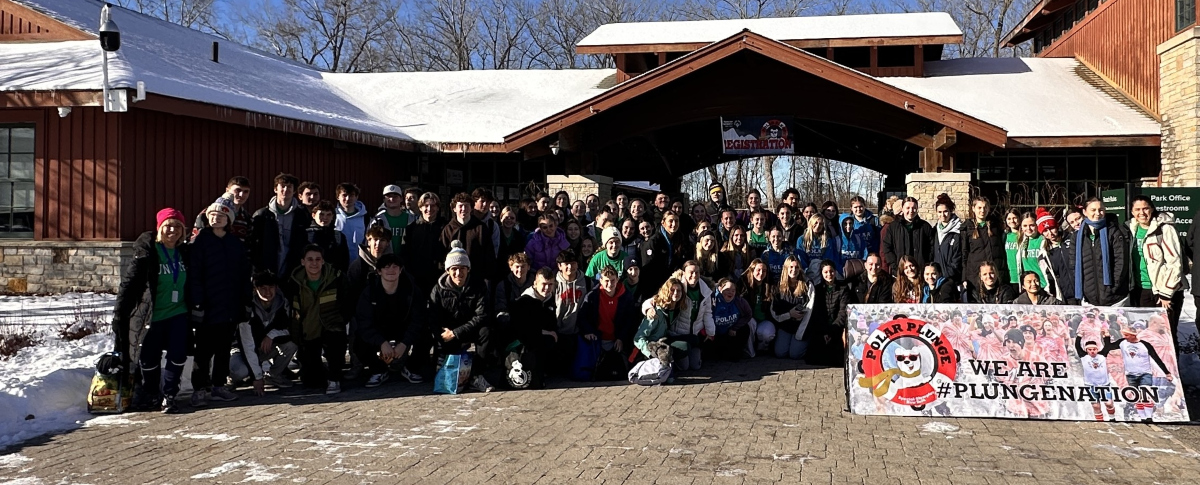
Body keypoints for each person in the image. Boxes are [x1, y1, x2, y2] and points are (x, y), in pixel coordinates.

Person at [112, 208, 191, 413]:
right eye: (168, 225)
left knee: (177, 355)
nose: (173, 230)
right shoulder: (148, 252)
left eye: (177, 226)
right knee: (149, 358)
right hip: (152, 315)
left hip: (178, 313)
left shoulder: (185, 253)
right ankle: (151, 392)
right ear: (159, 228)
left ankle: (170, 395)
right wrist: (119, 312)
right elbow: (129, 283)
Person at [187, 200, 251, 406]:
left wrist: (245, 301)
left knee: (223, 349)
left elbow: (244, 275)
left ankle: (219, 385)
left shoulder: (235, 244)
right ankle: (199, 388)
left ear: (228, 220)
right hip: (207, 306)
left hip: (229, 306)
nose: (216, 218)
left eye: (221, 216)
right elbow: (194, 275)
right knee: (203, 351)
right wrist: (197, 303)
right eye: (213, 215)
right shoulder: (200, 241)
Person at [285, 245, 353, 394]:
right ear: (303, 262)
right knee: (311, 381)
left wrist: (341, 320)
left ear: (323, 261)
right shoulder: (294, 281)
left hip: (332, 326)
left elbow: (348, 301)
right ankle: (321, 373)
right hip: (308, 329)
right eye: (310, 259)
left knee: (335, 346)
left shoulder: (336, 277)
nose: (314, 263)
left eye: (318, 259)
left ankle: (334, 378)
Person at [429, 241, 495, 393]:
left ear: (468, 269)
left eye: (462, 269)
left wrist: (456, 332)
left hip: (469, 328)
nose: (458, 273)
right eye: (454, 269)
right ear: (448, 270)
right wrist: (442, 334)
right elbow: (433, 317)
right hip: (447, 331)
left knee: (486, 331)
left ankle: (477, 375)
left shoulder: (479, 285)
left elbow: (482, 315)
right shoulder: (438, 289)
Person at [353, 254, 428, 388]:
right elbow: (364, 322)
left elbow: (418, 319)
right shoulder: (369, 292)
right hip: (379, 330)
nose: (391, 270)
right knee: (359, 342)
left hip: (403, 328)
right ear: (379, 271)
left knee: (426, 337)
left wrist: (405, 343)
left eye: (395, 267)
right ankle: (378, 370)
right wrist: (381, 342)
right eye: (386, 267)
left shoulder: (412, 289)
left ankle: (411, 368)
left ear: (400, 270)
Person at [1129, 195, 1184, 345]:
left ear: (1152, 209)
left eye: (1145, 208)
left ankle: (1171, 362)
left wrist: (1166, 292)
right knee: (1146, 335)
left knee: (1166, 335)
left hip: (1163, 291)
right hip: (1142, 289)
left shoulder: (1165, 229)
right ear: (1132, 212)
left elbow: (1174, 262)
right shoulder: (1131, 229)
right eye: (1137, 209)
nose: (1142, 213)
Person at [230, 271, 298, 392]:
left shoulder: (283, 303)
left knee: (291, 345)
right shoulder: (247, 307)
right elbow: (247, 345)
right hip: (241, 351)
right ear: (255, 289)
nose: (268, 292)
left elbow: (290, 330)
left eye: (271, 287)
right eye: (263, 288)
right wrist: (257, 377)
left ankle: (273, 375)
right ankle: (234, 376)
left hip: (264, 348)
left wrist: (271, 336)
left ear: (276, 287)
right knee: (240, 372)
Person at [501, 267, 559, 388]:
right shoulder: (524, 301)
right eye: (544, 284)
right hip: (520, 342)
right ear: (535, 283)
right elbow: (523, 329)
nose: (547, 288)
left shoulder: (550, 299)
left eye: (550, 284)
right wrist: (547, 333)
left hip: (539, 337)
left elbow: (552, 323)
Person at [1102, 325, 1172, 422]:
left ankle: (1149, 417)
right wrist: (1106, 337)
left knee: (1145, 393)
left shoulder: (1145, 345)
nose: (1125, 337)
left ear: (1133, 335)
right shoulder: (1122, 342)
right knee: (1137, 397)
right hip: (1130, 374)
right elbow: (1108, 347)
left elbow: (1156, 358)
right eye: (1124, 335)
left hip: (1145, 373)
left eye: (1127, 335)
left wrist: (1167, 373)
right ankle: (1143, 418)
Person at [250, 173, 312, 277]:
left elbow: (305, 243)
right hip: (266, 271)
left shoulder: (302, 216)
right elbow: (254, 246)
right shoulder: (262, 215)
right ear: (275, 189)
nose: (286, 189)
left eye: (289, 187)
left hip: (292, 271)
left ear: (294, 191)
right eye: (282, 186)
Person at [1075, 198, 1131, 306]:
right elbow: (1074, 265)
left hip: (1115, 298)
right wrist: (1085, 290)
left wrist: (1113, 288)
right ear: (1085, 212)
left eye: (1101, 210)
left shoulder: (1114, 232)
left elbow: (1121, 262)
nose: (1097, 213)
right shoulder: (1077, 236)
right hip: (1089, 299)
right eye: (1093, 210)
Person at [661, 261, 715, 371]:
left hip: (694, 334)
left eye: (697, 272)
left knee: (695, 366)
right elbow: (657, 299)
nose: (694, 275)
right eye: (691, 272)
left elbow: (707, 312)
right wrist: (648, 308)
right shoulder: (677, 286)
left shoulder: (705, 290)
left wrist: (710, 332)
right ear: (684, 273)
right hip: (678, 333)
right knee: (684, 367)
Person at [580, 266, 640, 360]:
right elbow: (582, 316)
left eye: (612, 280)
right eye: (606, 281)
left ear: (617, 280)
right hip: (596, 340)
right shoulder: (592, 296)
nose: (610, 284)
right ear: (600, 280)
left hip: (616, 341)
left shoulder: (626, 297)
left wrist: (621, 338)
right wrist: (588, 331)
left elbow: (630, 320)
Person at [553, 248, 591, 374]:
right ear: (560, 266)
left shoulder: (587, 282)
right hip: (558, 332)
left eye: (573, 263)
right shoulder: (553, 283)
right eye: (566, 264)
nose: (570, 267)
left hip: (578, 331)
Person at [634, 278, 687, 368]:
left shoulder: (676, 309)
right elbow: (638, 337)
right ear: (666, 291)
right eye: (672, 290)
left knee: (693, 340)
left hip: (664, 340)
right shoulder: (656, 312)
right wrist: (650, 353)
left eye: (678, 290)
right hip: (653, 347)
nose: (676, 293)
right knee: (685, 347)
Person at [807, 260, 851, 366]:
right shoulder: (817, 289)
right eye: (826, 272)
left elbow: (843, 312)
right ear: (821, 273)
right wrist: (825, 331)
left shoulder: (843, 288)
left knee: (838, 358)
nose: (829, 274)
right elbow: (817, 313)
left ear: (835, 272)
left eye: (831, 271)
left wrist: (832, 330)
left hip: (837, 328)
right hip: (822, 328)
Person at [960, 196, 1007, 294]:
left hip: (995, 274)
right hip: (975, 274)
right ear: (973, 209)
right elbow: (964, 253)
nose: (982, 210)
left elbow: (1002, 250)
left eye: (985, 207)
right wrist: (964, 277)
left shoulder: (996, 225)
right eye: (979, 207)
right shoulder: (967, 228)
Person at [441, 193, 496, 276]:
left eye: (466, 206)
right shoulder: (448, 229)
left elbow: (489, 255)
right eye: (460, 206)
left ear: (471, 208)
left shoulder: (481, 228)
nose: (463, 209)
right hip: (455, 276)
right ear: (454, 209)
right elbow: (442, 255)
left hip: (477, 276)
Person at [401, 192, 447, 291]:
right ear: (420, 208)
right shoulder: (411, 229)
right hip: (416, 279)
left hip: (439, 278)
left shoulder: (445, 228)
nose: (429, 209)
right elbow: (405, 254)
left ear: (438, 208)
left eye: (433, 206)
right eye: (426, 206)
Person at [771, 256, 812, 359]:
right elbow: (775, 311)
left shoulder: (807, 284)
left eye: (797, 267)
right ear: (786, 268)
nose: (794, 270)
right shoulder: (778, 286)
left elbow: (811, 307)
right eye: (791, 267)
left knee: (795, 354)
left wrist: (800, 315)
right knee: (780, 353)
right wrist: (789, 314)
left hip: (802, 325)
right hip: (785, 323)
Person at [640, 211, 689, 297]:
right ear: (663, 223)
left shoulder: (680, 239)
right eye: (670, 221)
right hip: (655, 286)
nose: (674, 224)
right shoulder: (653, 242)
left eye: (676, 221)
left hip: (673, 284)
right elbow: (648, 269)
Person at [882, 197, 934, 275]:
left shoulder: (925, 227)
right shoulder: (893, 227)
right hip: (900, 272)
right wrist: (895, 266)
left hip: (920, 272)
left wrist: (925, 264)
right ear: (902, 209)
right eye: (908, 208)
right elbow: (887, 248)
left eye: (914, 208)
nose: (911, 211)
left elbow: (931, 247)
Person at [192, 176, 252, 241]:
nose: (241, 195)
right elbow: (196, 241)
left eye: (246, 191)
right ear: (227, 190)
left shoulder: (247, 218)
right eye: (237, 190)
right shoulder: (208, 214)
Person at [1035, 207, 1075, 303]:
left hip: (1082, 290)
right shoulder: (1044, 252)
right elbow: (1048, 275)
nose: (1050, 233)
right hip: (1065, 294)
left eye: (1052, 228)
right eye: (1045, 231)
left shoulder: (1071, 238)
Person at [709, 278, 754, 362]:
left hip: (730, 332)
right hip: (715, 334)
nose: (731, 293)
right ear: (720, 288)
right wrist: (710, 331)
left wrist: (735, 327)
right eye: (727, 290)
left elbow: (748, 314)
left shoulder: (739, 301)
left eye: (733, 290)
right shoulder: (712, 300)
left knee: (745, 329)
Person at [1074, 334, 1116, 421]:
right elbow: (1077, 346)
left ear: (1097, 349)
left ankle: (1112, 418)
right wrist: (1079, 336)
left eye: (1094, 349)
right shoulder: (1084, 356)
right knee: (1096, 406)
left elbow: (1107, 345)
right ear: (1086, 350)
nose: (1092, 351)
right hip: (1090, 385)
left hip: (1104, 385)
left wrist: (1106, 336)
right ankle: (1100, 422)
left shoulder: (1102, 355)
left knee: (1108, 403)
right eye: (1090, 350)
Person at [741, 259, 777, 354]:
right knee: (750, 322)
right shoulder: (744, 284)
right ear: (752, 270)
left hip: (764, 320)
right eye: (758, 270)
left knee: (767, 334)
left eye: (764, 271)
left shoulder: (770, 286)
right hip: (750, 319)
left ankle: (761, 349)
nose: (761, 273)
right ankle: (750, 352)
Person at [305, 200, 350, 273]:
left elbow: (344, 261)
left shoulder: (338, 236)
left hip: (332, 276)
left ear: (332, 217)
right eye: (321, 214)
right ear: (313, 215)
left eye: (328, 215)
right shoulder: (305, 235)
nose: (325, 218)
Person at [371, 184, 414, 256]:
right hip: (384, 260)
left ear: (401, 199)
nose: (392, 199)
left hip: (407, 259)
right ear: (384, 199)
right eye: (388, 196)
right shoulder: (377, 220)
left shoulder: (412, 219)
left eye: (395, 196)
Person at [334, 183, 369, 264]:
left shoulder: (365, 218)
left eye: (351, 195)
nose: (348, 198)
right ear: (338, 197)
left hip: (359, 263)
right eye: (344, 195)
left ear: (356, 197)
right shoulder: (332, 216)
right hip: (338, 262)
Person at [797, 215, 839, 282]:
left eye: (821, 224)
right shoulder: (801, 239)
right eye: (816, 222)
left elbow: (828, 258)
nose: (818, 225)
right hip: (807, 272)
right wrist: (806, 271)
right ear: (811, 223)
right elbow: (801, 258)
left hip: (822, 272)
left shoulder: (827, 240)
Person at [932, 194, 963, 283]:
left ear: (951, 211)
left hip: (951, 279)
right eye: (939, 212)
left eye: (945, 211)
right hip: (935, 279)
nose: (942, 215)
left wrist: (947, 274)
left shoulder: (958, 231)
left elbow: (958, 258)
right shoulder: (934, 231)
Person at [1014, 212, 1047, 289]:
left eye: (1032, 225)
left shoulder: (1043, 240)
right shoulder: (1021, 242)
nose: (1028, 229)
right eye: (1025, 226)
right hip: (1029, 286)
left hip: (1044, 285)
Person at [496, 206, 528, 280]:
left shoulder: (519, 236)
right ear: (501, 218)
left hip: (513, 273)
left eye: (512, 218)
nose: (509, 220)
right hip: (497, 270)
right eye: (506, 217)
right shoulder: (495, 233)